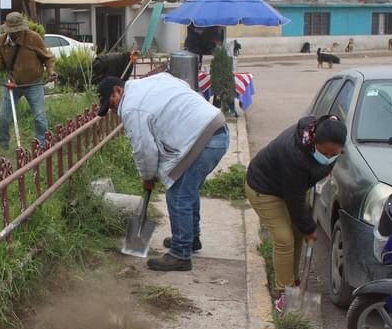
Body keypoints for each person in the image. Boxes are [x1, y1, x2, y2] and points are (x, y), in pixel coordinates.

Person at [96, 73, 229, 272]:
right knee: (187, 189)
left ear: (118, 90)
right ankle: (190, 238)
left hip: (204, 139)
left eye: (112, 104)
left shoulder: (132, 107)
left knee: (178, 194)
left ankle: (180, 254)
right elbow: (182, 84)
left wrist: (148, 177)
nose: (114, 111)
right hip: (216, 128)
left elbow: (144, 150)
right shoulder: (151, 82)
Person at [245, 115, 347, 311]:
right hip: (264, 188)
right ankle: (283, 292)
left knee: (298, 233)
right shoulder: (294, 154)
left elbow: (302, 188)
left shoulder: (330, 141)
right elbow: (294, 198)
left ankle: (293, 282)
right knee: (284, 238)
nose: (329, 157)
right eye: (325, 153)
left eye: (334, 154)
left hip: (293, 186)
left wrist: (304, 227)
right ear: (314, 141)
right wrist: (309, 227)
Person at [0, 12, 57, 149]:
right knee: (3, 117)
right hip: (12, 83)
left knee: (40, 117)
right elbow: (0, 64)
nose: (16, 33)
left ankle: (42, 146)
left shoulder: (33, 38)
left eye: (18, 30)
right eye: (13, 31)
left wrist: (51, 71)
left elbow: (48, 58)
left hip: (34, 83)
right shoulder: (1, 42)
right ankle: (3, 147)